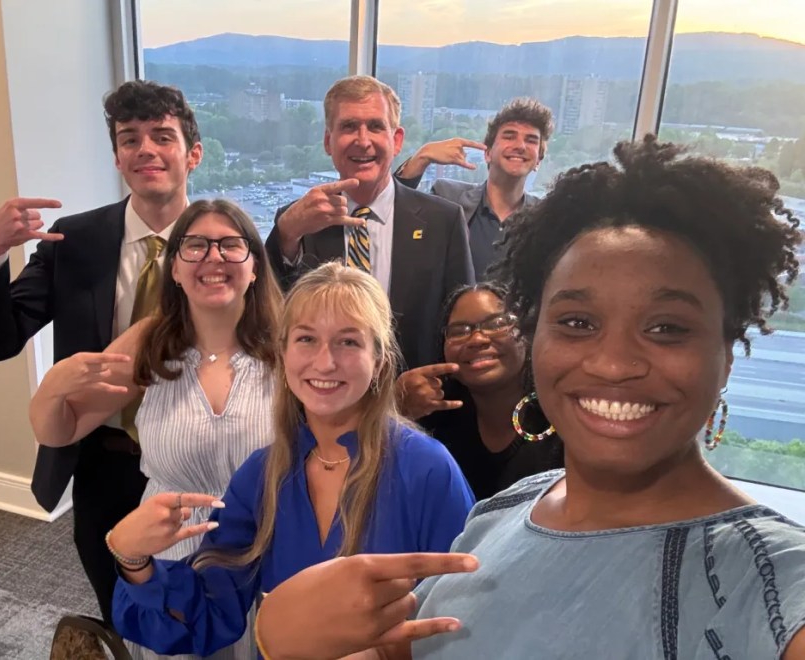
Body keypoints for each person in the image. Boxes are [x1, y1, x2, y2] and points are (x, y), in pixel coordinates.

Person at [250, 137, 805, 659]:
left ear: (726, 354)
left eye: (666, 328)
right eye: (578, 322)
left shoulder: (766, 580)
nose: (614, 363)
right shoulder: (501, 514)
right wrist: (282, 633)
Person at [106, 262, 476, 657]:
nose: (325, 362)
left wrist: (386, 652)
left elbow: (472, 618)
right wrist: (134, 559)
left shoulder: (428, 471)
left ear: (380, 361)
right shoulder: (262, 475)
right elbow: (209, 614)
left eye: (348, 342)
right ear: (282, 355)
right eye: (307, 339)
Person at [0, 80, 202, 626]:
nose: (145, 149)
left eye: (162, 136)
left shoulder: (224, 243)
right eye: (129, 138)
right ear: (117, 157)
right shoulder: (75, 241)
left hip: (197, 458)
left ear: (193, 153)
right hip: (103, 462)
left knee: (196, 606)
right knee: (118, 608)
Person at [30, 199, 279, 660]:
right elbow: (59, 431)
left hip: (263, 554)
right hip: (168, 558)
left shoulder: (291, 347)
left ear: (255, 266)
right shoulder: (152, 341)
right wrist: (52, 389)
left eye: (230, 244)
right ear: (176, 270)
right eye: (196, 246)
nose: (213, 257)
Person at [264, 75, 475, 370]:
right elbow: (271, 314)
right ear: (328, 141)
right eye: (349, 126)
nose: (363, 141)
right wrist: (286, 234)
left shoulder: (443, 221)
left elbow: (464, 325)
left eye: (375, 126)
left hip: (418, 394)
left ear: (396, 140)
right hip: (323, 389)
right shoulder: (298, 222)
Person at [417, 283, 563, 500]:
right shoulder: (434, 421)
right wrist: (398, 411)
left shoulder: (561, 418)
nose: (477, 339)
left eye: (496, 324)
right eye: (459, 331)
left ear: (526, 332)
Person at [395, 98, 554, 280]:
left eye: (531, 140)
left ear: (538, 160)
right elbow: (394, 216)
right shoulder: (448, 197)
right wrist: (421, 158)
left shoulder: (545, 219)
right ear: (487, 153)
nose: (520, 146)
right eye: (509, 136)